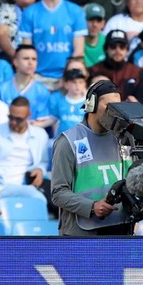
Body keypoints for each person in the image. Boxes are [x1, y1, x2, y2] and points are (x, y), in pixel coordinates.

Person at [51, 80, 131, 236]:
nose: (115, 112)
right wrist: (91, 206)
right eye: (109, 106)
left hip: (121, 227)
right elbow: (58, 193)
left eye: (118, 106)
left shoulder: (124, 139)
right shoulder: (68, 141)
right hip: (82, 232)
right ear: (91, 105)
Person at [0, 96, 48, 203]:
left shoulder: (40, 135)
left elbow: (43, 162)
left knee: (42, 202)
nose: (13, 122)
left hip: (28, 186)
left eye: (18, 119)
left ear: (28, 116)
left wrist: (40, 170)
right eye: (10, 117)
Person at [19, 0, 87, 90]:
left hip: (66, 77)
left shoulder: (76, 12)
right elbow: (25, 50)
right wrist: (31, 76)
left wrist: (66, 77)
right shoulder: (29, 13)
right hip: (37, 77)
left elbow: (78, 52)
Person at [0, 44, 51, 122]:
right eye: (26, 58)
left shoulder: (42, 90)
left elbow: (42, 119)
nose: (30, 62)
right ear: (15, 62)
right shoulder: (1, 89)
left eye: (34, 59)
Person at [90, 29, 143, 104]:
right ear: (106, 49)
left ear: (127, 50)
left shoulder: (137, 72)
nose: (118, 50)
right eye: (113, 46)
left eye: (122, 47)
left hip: (130, 113)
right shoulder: (94, 70)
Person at [83, 3, 107, 68]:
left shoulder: (107, 42)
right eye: (90, 20)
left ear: (103, 23)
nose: (94, 24)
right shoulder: (76, 42)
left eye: (98, 21)